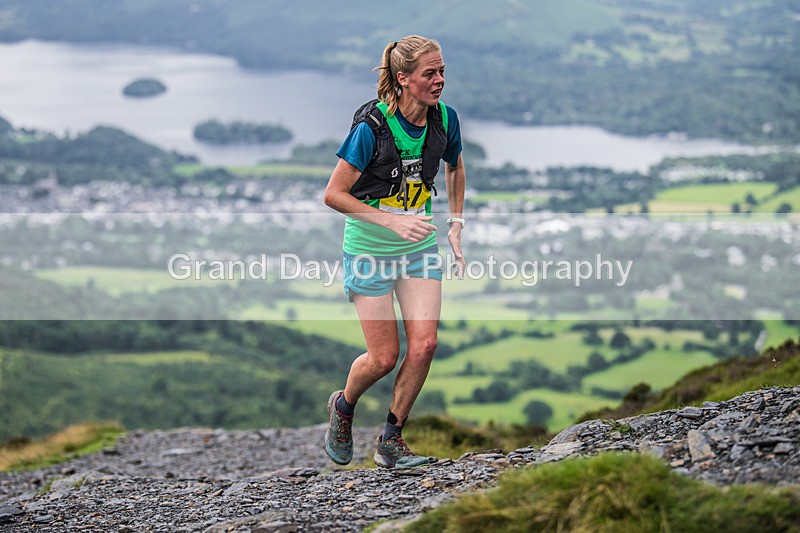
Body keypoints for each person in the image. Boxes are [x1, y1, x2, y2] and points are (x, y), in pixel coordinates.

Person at [323, 35, 466, 468]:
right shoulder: (372, 129)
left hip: (418, 245)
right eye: (430, 73)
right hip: (369, 247)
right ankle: (344, 407)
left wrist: (456, 224)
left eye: (442, 71)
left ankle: (391, 439)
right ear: (403, 79)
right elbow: (334, 195)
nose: (440, 80)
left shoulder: (446, 120)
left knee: (424, 345)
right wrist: (392, 219)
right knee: (383, 357)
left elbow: (455, 166)